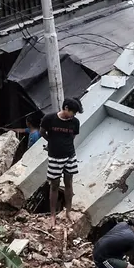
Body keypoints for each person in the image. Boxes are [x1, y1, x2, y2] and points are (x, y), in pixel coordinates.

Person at [40, 97, 82, 226]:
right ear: (66, 108)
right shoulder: (49, 118)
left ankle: (68, 211)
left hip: (70, 155)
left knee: (69, 183)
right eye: (72, 112)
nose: (73, 115)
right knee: (54, 185)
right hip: (54, 157)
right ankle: (53, 215)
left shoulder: (75, 122)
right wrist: (52, 142)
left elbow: (72, 136)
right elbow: (42, 132)